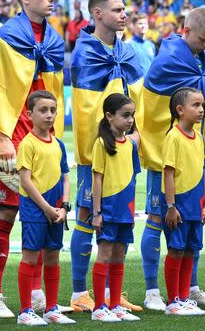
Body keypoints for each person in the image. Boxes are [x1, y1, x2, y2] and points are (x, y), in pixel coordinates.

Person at [0, 0, 65, 318]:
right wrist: (2, 136)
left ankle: (36, 294)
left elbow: (55, 93)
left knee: (43, 213)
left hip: (45, 138)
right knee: (8, 211)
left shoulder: (56, 40)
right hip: (12, 138)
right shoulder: (7, 37)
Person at [69, 0, 144, 313]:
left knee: (119, 219)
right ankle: (78, 293)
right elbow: (85, 106)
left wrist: (136, 132)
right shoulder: (85, 50)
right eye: (117, 9)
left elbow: (134, 94)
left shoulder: (126, 50)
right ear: (97, 14)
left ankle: (113, 294)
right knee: (87, 217)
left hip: (125, 150)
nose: (124, 14)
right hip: (97, 150)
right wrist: (100, 142)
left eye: (125, 8)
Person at [139, 7, 205, 310]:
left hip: (193, 151)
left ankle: (190, 288)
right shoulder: (170, 57)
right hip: (165, 150)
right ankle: (151, 290)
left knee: (193, 221)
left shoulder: (201, 58)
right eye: (201, 40)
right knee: (158, 219)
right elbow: (155, 101)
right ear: (186, 32)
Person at [15, 91, 74, 326]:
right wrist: (48, 208)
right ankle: (25, 311)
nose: (49, 115)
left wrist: (64, 207)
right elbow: (26, 181)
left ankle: (51, 308)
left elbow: (66, 178)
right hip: (35, 208)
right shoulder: (27, 144)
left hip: (56, 210)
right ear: (29, 114)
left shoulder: (58, 143)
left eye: (52, 110)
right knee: (30, 258)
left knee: (52, 257)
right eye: (43, 110)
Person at [90, 94, 141, 323]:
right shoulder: (102, 143)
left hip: (125, 210)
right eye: (125, 115)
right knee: (105, 254)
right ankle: (99, 307)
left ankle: (115, 304)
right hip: (108, 209)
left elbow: (132, 178)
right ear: (109, 116)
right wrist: (97, 212)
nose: (130, 120)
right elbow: (97, 179)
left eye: (132, 115)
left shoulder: (130, 145)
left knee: (119, 256)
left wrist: (133, 210)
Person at [162, 88, 205, 316]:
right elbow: (169, 173)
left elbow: (203, 171)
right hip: (179, 204)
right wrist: (171, 206)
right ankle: (173, 301)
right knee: (176, 250)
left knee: (191, 250)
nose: (201, 110)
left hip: (195, 204)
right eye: (196, 105)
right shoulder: (173, 137)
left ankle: (184, 298)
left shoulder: (199, 137)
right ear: (180, 110)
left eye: (202, 105)